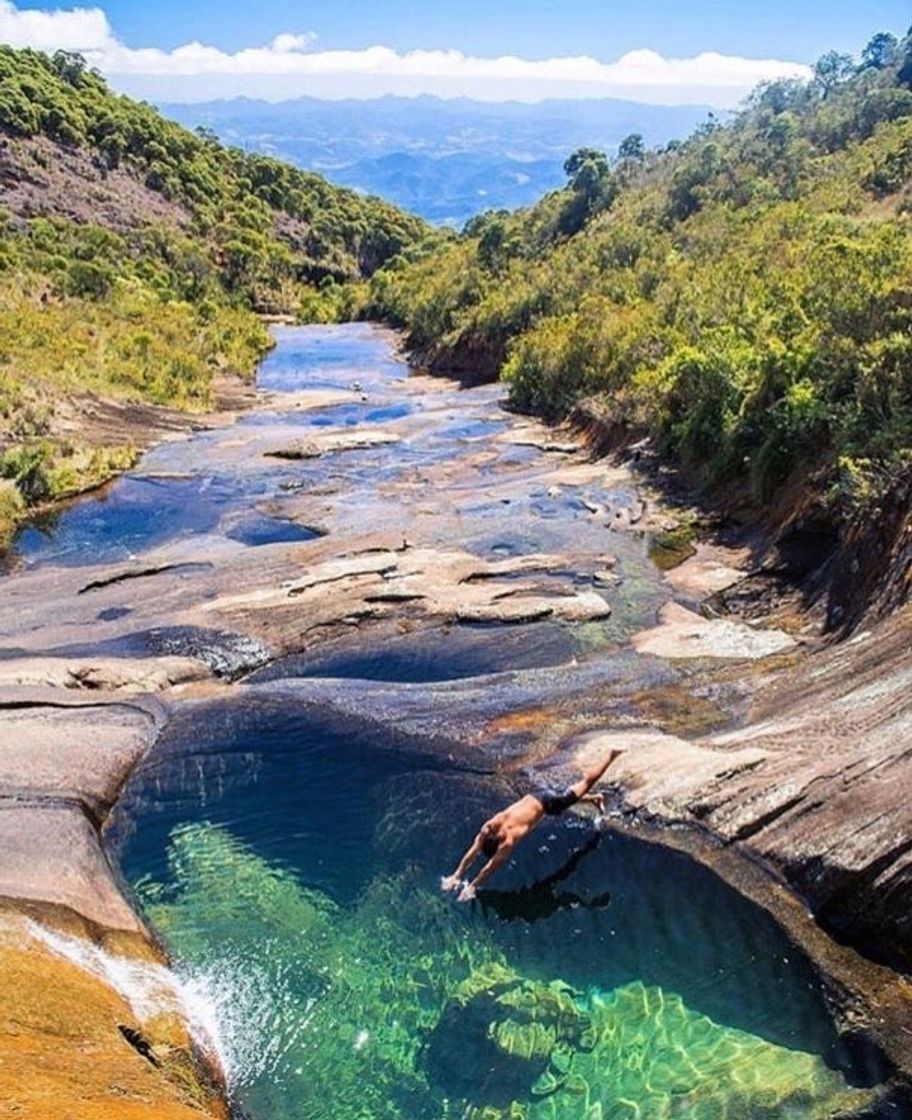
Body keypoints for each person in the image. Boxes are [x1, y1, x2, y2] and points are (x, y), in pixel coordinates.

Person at [441, 748, 626, 902]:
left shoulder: (508, 841)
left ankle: (611, 755)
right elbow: (473, 852)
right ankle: (596, 799)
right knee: (566, 799)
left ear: (497, 846)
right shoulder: (490, 827)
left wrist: (472, 887)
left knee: (586, 783)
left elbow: (490, 868)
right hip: (536, 796)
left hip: (549, 803)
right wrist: (456, 875)